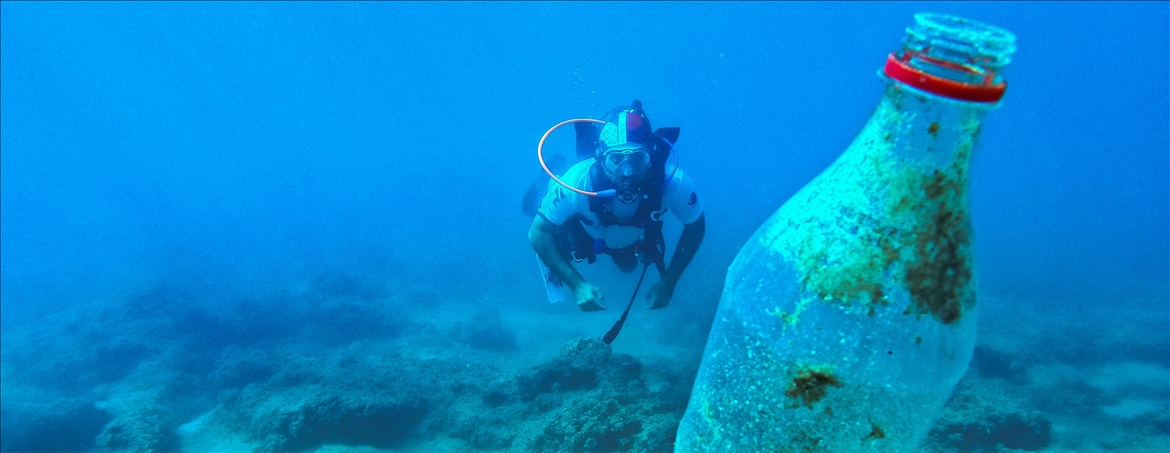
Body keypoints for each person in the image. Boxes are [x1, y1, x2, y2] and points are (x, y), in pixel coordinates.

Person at [527, 101, 706, 312]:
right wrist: (577, 285)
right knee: (532, 209)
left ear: (651, 156)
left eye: (638, 159)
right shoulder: (577, 181)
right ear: (602, 158)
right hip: (586, 230)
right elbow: (538, 232)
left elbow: (695, 225)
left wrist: (669, 282)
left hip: (625, 235)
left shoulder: (673, 183)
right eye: (616, 160)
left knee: (628, 266)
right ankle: (553, 171)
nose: (627, 172)